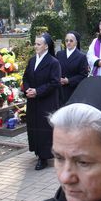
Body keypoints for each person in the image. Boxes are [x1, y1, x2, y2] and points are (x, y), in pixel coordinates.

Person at [23, 33, 61, 170]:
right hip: (33, 100)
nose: (35, 46)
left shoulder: (53, 62)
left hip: (46, 101)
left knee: (44, 129)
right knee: (34, 126)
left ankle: (44, 157)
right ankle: (37, 150)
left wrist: (37, 91)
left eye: (38, 44)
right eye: (35, 43)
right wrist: (27, 89)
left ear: (46, 46)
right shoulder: (32, 60)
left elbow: (54, 82)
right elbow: (26, 77)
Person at [56, 31, 88, 106]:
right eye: (66, 40)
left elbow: (83, 75)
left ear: (76, 42)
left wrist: (69, 81)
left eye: (71, 41)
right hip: (60, 89)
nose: (68, 43)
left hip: (73, 90)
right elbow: (55, 70)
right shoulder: (59, 54)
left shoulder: (81, 56)